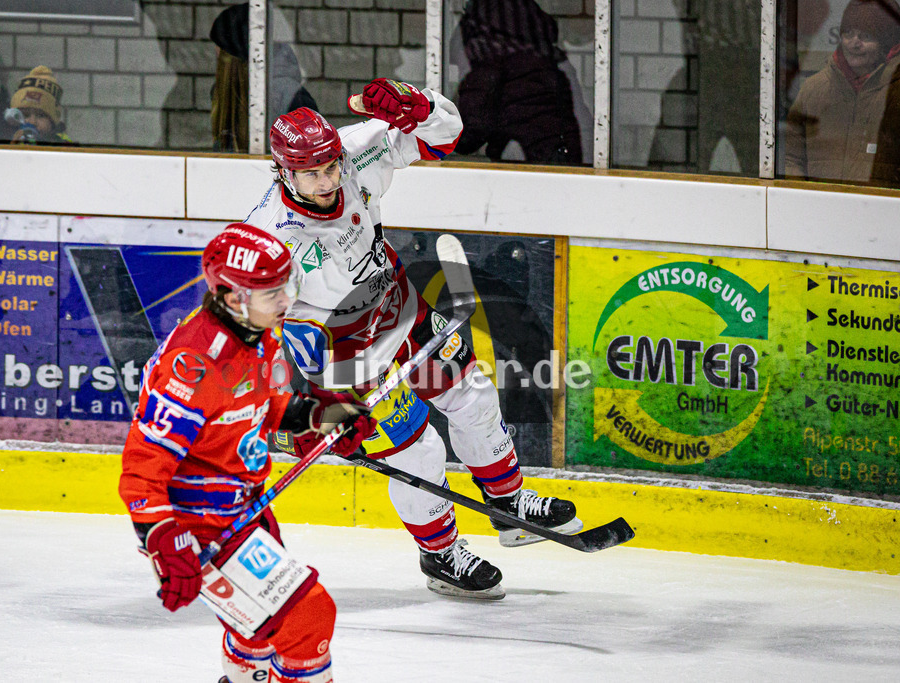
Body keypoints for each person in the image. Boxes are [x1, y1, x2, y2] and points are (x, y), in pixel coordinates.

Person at [243, 79, 583, 601]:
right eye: (311, 174)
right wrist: (298, 404)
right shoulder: (270, 238)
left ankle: (510, 505)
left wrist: (416, 105)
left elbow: (445, 136)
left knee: (473, 396)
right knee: (418, 451)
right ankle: (442, 555)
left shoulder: (350, 154)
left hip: (397, 307)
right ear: (283, 171)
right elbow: (246, 326)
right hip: (345, 353)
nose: (328, 180)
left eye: (330, 167)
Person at [119, 223, 376, 683]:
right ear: (234, 297)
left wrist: (324, 415)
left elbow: (272, 408)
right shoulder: (195, 366)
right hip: (202, 524)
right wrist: (163, 536)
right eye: (273, 292)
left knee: (257, 628)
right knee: (307, 616)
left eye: (286, 286)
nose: (286, 301)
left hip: (246, 505)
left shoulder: (259, 336)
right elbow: (143, 468)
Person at [452, 0, 585, 165]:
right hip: (563, 166)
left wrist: (434, 121)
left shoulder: (487, 75)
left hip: (521, 176)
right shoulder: (553, 69)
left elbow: (468, 138)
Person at [784, 0, 900, 183]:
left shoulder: (895, 92)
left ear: (885, 45)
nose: (854, 43)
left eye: (866, 36)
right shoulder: (814, 88)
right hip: (820, 207)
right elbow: (792, 158)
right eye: (848, 34)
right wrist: (803, 198)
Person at [209, 3, 318, 153]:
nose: (216, 53)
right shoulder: (228, 91)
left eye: (220, 47)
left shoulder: (293, 99)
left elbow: (315, 161)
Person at [6, 66, 74, 145]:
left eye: (40, 115)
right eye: (25, 115)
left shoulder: (61, 143)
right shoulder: (9, 137)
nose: (32, 122)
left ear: (52, 122)